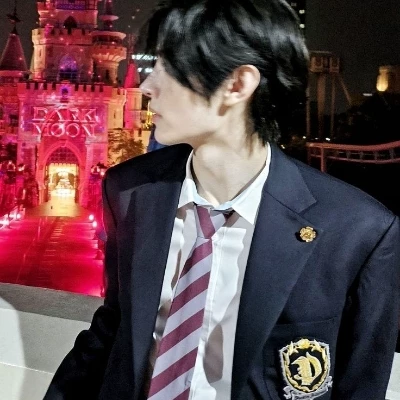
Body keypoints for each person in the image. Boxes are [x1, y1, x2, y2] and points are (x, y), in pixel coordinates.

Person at [44, 1, 400, 399]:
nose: (146, 86)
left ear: (237, 84)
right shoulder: (130, 192)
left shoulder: (358, 231)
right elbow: (114, 329)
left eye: (167, 66)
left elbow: (360, 384)